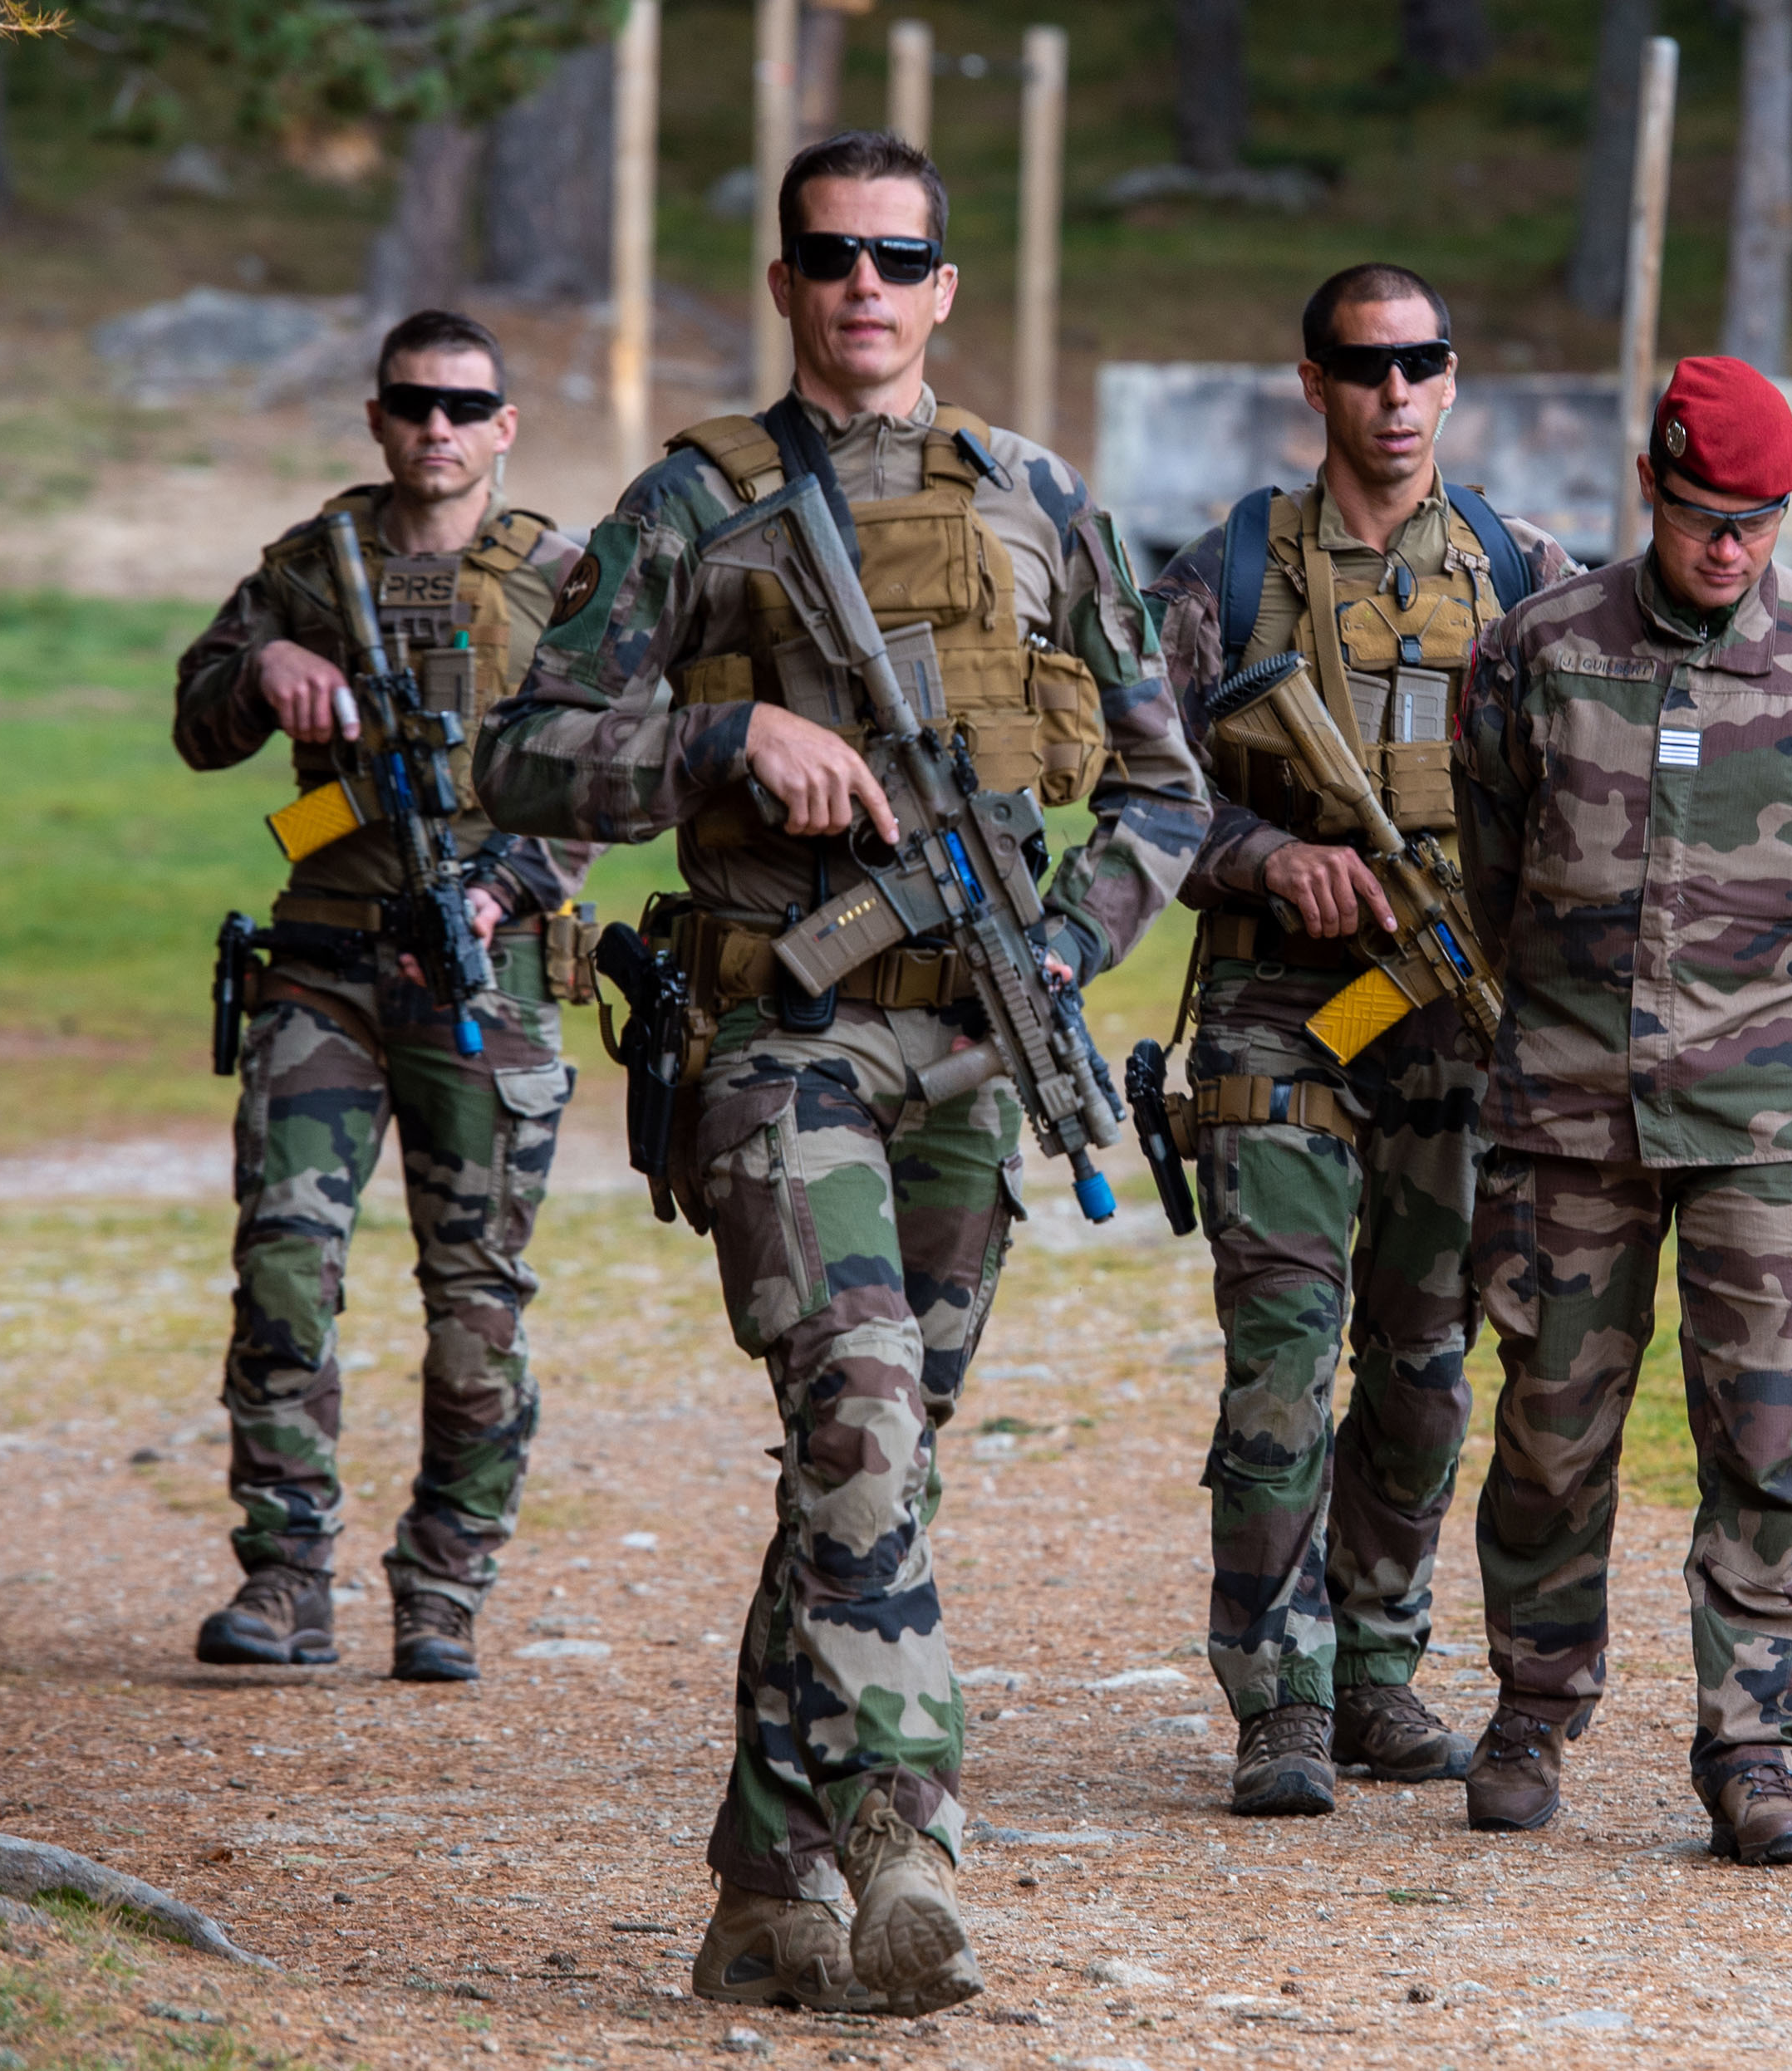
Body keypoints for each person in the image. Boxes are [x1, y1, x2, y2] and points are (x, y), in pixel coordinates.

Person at [473, 130, 1204, 2015]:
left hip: (973, 1040)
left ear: (943, 288)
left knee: (866, 1469)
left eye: (899, 256)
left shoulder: (1041, 504)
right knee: (863, 1399)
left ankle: (757, 1881)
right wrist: (725, 734)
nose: (865, 285)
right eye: (831, 256)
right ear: (787, 283)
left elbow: (1160, 788)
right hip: (775, 1037)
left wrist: (1060, 946)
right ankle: (907, 1832)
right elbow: (527, 757)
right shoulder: (692, 503)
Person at [1451, 356, 1792, 1866]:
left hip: (1762, 1126)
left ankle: (1753, 1741)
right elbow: (1491, 860)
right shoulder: (1537, 652)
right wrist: (1569, 1014)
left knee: (1767, 1434)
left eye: (1758, 521)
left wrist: (1784, 1025)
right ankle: (1533, 1703)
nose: (1728, 546)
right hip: (1570, 1112)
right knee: (1550, 1422)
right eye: (1701, 515)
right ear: (1652, 493)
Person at [1142, 265, 1578, 1818]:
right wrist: (1272, 861)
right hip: (1283, 1007)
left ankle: (1379, 1668)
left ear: (1452, 381)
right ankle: (1277, 1695)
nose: (1396, 393)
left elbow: (1589, 799)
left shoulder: (1529, 576)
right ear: (1312, 381)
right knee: (1280, 1353)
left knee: (1422, 1363)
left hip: (1454, 1012)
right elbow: (1138, 793)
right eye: (1364, 366)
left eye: (1423, 364)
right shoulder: (1227, 574)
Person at [172, 308, 597, 1686]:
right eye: (413, 403)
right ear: (377, 416)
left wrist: (506, 883)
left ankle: (446, 1586)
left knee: (476, 1299)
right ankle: (286, 1579)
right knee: (286, 1268)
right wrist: (263, 670)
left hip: (485, 972)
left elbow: (625, 767)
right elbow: (197, 718)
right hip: (326, 964)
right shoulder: (312, 565)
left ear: (504, 426)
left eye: (465, 407)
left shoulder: (558, 578)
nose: (438, 428)